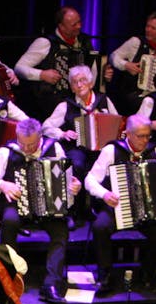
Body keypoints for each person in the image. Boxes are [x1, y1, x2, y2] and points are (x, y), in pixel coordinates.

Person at [84, 114, 156, 295]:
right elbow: (90, 179)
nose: (145, 140)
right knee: (100, 227)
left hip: (148, 211)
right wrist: (105, 194)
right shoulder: (112, 150)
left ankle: (148, 273)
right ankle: (105, 273)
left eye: (148, 135)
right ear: (128, 134)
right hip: (118, 207)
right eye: (140, 136)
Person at [0, 118, 81, 304]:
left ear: (40, 137)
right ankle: (8, 278)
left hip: (49, 207)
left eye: (31, 144)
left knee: (61, 230)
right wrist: (3, 185)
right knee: (9, 222)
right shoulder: (6, 152)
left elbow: (68, 180)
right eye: (22, 143)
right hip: (17, 205)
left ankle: (51, 284)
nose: (26, 149)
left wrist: (74, 186)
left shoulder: (54, 149)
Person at [41, 64, 120, 219]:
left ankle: (104, 207)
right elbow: (46, 127)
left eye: (83, 80)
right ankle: (75, 210)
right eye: (75, 82)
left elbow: (118, 122)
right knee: (76, 164)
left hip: (102, 148)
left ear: (90, 83)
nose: (79, 85)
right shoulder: (66, 105)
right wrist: (62, 133)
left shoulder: (103, 101)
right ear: (72, 88)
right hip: (78, 148)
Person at [14, 6, 108, 120]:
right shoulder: (45, 43)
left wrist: (103, 74)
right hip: (51, 99)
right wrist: (42, 74)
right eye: (74, 24)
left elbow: (92, 69)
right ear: (61, 26)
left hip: (78, 97)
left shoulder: (84, 42)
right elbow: (19, 68)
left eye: (79, 22)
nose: (79, 26)